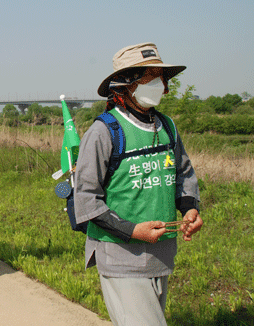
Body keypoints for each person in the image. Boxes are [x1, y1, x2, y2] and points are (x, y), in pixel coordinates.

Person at [74, 42, 203, 326]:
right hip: (121, 255)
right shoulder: (103, 132)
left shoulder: (167, 126)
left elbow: (183, 173)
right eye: (150, 78)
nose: (160, 85)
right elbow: (86, 200)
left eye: (162, 78)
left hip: (161, 254)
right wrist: (132, 230)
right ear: (126, 85)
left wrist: (189, 209)